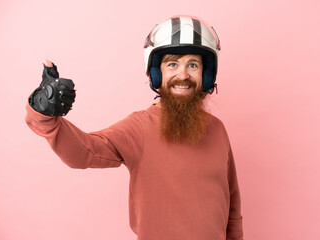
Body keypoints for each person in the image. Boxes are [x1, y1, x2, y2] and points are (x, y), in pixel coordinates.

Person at [25, 15, 243, 240]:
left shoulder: (217, 129)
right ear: (156, 73)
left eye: (193, 65)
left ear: (206, 76)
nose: (183, 74)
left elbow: (232, 208)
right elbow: (84, 152)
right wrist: (45, 114)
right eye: (172, 64)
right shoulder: (139, 128)